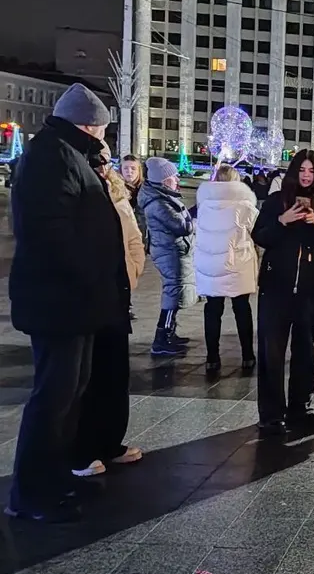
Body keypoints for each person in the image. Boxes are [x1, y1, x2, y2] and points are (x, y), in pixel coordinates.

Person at [6, 84, 130, 523]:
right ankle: (30, 493)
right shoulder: (51, 155)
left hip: (77, 300)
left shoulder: (69, 154)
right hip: (59, 302)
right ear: (86, 125)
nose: (102, 137)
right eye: (100, 129)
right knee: (53, 397)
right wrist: (91, 273)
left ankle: (54, 477)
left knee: (71, 391)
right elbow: (51, 233)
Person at [252, 149, 314, 436]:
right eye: (301, 170)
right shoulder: (276, 201)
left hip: (310, 291)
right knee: (272, 352)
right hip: (275, 290)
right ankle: (271, 414)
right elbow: (260, 236)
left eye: (311, 171)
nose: (306, 176)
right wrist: (283, 220)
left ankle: (299, 407)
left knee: (305, 352)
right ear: (294, 172)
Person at [72, 142, 145, 477]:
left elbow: (132, 239)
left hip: (118, 294)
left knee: (114, 374)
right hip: (89, 296)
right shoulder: (81, 193)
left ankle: (110, 441)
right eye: (96, 161)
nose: (103, 166)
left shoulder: (117, 194)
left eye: (105, 160)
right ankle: (81, 449)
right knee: (86, 377)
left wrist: (132, 272)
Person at [195, 164, 259, 374]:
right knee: (242, 309)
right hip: (237, 263)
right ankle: (247, 355)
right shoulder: (244, 206)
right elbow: (258, 231)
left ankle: (212, 357)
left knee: (213, 310)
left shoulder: (203, 205)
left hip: (211, 264)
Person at [140, 157, 197, 356]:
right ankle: (162, 338)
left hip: (171, 250)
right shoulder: (158, 203)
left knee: (175, 290)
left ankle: (169, 332)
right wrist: (195, 214)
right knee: (173, 292)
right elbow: (182, 226)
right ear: (164, 181)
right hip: (168, 252)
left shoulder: (161, 198)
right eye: (173, 177)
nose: (177, 180)